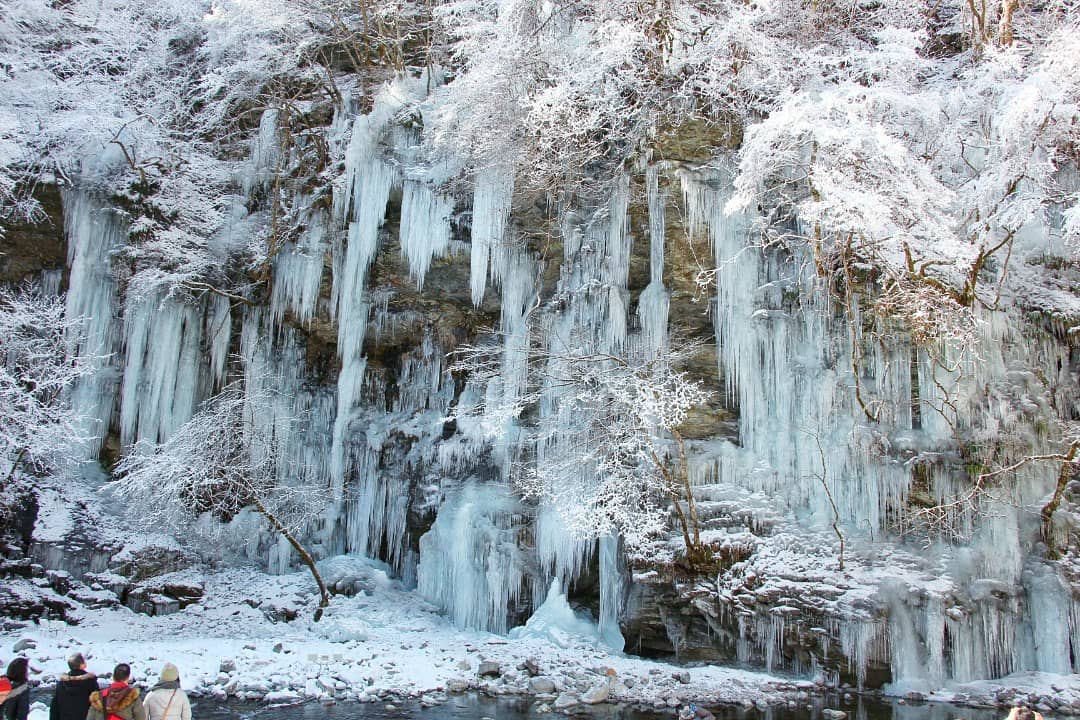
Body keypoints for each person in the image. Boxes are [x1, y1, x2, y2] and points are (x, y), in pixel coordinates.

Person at [49, 653, 99, 720]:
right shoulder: (91, 683)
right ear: (81, 665)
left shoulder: (61, 684)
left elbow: (54, 709)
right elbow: (97, 706)